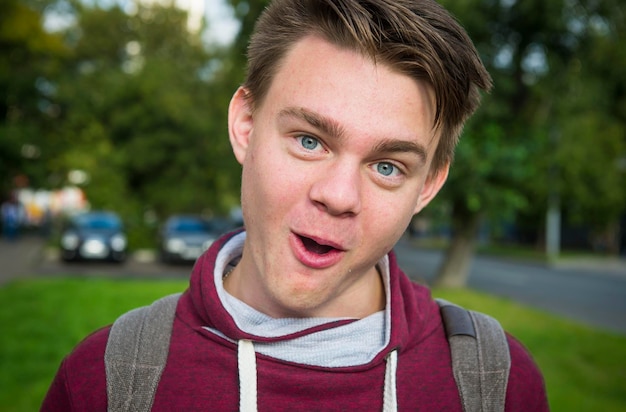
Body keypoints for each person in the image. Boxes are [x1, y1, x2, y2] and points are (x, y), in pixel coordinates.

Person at [42, 0, 548, 410]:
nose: (338, 195)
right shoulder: (108, 379)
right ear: (246, 124)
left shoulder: (495, 384)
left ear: (428, 186)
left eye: (387, 166)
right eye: (309, 141)